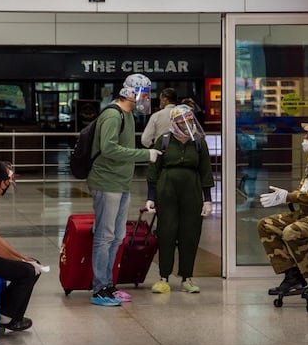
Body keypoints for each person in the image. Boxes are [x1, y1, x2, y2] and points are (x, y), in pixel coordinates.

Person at [87, 73, 163, 306]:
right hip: (106, 182)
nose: (146, 99)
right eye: (144, 94)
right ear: (131, 93)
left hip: (121, 183)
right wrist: (145, 155)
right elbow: (109, 149)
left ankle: (108, 284)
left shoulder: (127, 115)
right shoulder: (112, 115)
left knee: (117, 236)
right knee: (104, 235)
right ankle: (99, 288)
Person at [145, 104, 214, 293]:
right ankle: (163, 277)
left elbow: (205, 171)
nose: (186, 124)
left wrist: (207, 199)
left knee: (190, 234)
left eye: (189, 120)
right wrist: (151, 197)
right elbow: (154, 170)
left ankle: (187, 277)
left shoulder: (199, 142)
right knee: (166, 232)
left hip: (192, 191)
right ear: (174, 123)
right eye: (182, 121)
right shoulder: (164, 140)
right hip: (166, 191)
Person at [256, 118, 308, 302]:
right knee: (265, 225)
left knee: (291, 231)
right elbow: (305, 189)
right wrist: (288, 195)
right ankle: (293, 275)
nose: (306, 137)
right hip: (304, 212)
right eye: (307, 133)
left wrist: (288, 197)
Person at [0, 160, 42, 333]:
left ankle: (6, 310)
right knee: (28, 271)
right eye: (8, 180)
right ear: (1, 182)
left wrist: (22, 257)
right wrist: (22, 261)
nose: (9, 185)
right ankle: (8, 318)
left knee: (33, 265)